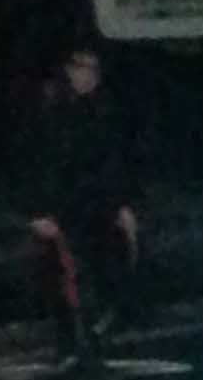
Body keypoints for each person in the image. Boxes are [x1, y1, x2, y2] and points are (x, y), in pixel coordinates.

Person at [20, 43, 142, 359]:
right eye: (79, 67)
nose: (86, 76)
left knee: (108, 273)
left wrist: (122, 204)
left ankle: (95, 335)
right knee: (66, 277)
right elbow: (35, 162)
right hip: (61, 210)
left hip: (98, 208)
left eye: (92, 69)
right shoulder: (49, 110)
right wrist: (36, 211)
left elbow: (115, 161)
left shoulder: (105, 111)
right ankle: (73, 341)